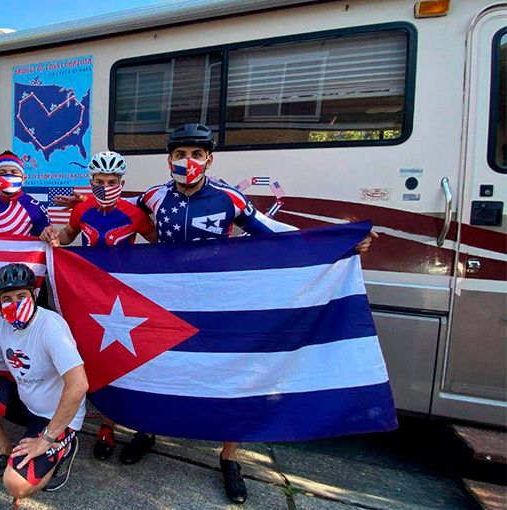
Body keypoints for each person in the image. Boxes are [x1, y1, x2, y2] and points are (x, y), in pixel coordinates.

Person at [53, 124, 376, 504]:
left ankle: (229, 458)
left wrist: (338, 242)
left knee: (231, 372)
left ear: (209, 159)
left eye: (196, 153)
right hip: (164, 300)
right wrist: (73, 215)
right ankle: (147, 431)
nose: (187, 161)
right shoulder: (154, 197)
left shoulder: (229, 198)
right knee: (155, 367)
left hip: (219, 300)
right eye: (179, 154)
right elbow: (119, 214)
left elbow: (273, 233)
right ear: (169, 160)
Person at [40, 150, 157, 463]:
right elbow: (66, 236)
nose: (106, 185)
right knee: (98, 357)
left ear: (122, 181)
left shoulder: (135, 213)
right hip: (91, 296)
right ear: (91, 181)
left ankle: (140, 426)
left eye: (113, 181)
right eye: (100, 180)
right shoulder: (83, 209)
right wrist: (51, 234)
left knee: (128, 359)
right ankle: (107, 424)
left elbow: (161, 245)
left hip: (126, 297)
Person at [0, 263, 88, 500]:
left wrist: (47, 438)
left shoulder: (51, 327)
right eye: (7, 298)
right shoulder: (1, 326)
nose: (14, 303)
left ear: (34, 295)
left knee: (16, 485)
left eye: (21, 296)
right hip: (27, 403)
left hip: (57, 417)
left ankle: (63, 445)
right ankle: (3, 450)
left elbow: (79, 385)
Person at [0, 151, 51, 237]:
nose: (9, 175)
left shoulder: (35, 207)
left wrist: (49, 235)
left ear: (23, 179)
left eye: (14, 172)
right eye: (2, 173)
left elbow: (47, 236)